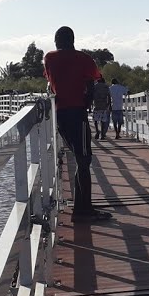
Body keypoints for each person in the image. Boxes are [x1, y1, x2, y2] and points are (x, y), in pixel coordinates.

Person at [44, 27, 112, 223]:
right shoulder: (83, 59)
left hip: (60, 115)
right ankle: (84, 210)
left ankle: (81, 207)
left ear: (57, 41)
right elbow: (95, 77)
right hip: (77, 112)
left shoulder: (49, 58)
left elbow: (50, 81)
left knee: (79, 157)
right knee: (84, 159)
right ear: (72, 40)